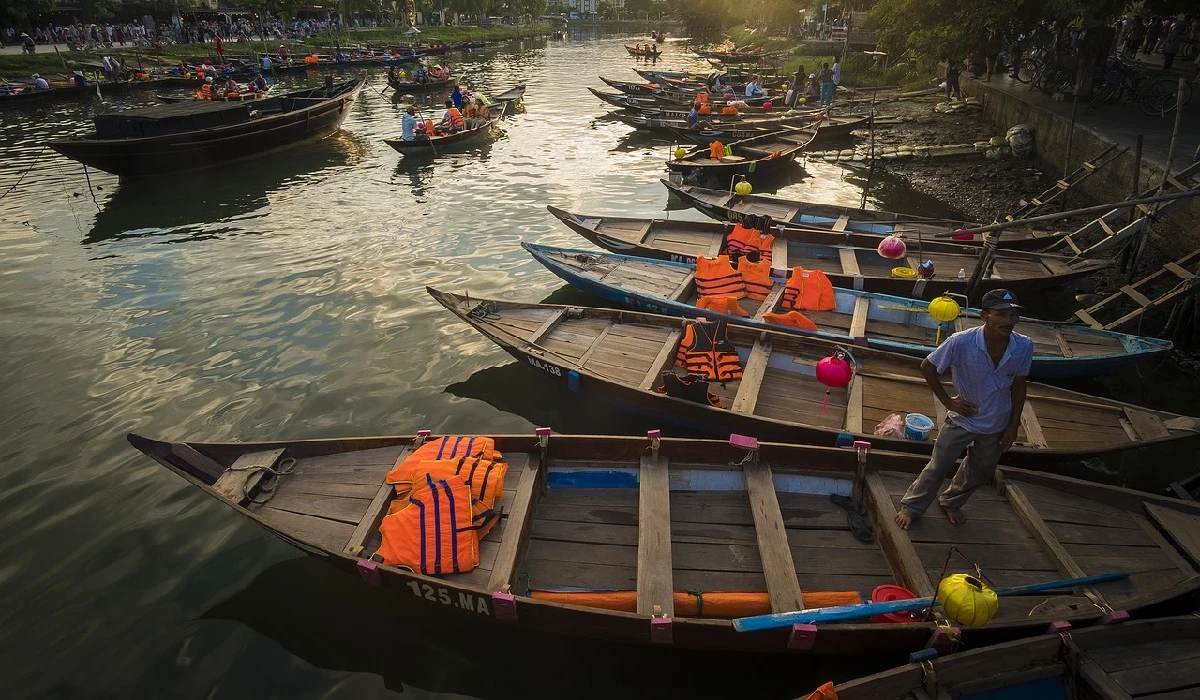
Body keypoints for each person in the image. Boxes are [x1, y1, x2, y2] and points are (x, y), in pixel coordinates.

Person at [893, 289, 1033, 530]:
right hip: (962, 418)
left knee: (980, 471)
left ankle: (951, 501)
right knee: (938, 466)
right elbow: (928, 367)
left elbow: (1020, 384)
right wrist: (948, 401)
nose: (1008, 321)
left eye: (1013, 316)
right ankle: (912, 506)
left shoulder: (1023, 346)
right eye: (1001, 314)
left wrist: (1013, 425)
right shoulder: (961, 342)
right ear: (984, 316)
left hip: (997, 422)